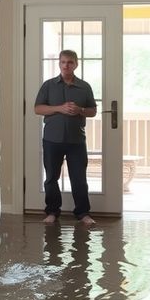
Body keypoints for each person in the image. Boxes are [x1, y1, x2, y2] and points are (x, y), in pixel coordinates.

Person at [34, 50, 98, 225]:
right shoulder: (48, 85)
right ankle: (52, 212)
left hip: (76, 140)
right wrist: (59, 108)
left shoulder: (85, 87)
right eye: (63, 62)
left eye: (70, 62)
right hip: (52, 140)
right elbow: (38, 109)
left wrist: (81, 110)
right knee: (51, 178)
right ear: (59, 64)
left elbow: (93, 110)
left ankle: (83, 213)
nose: (66, 65)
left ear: (76, 64)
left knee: (79, 178)